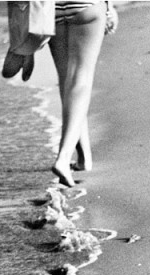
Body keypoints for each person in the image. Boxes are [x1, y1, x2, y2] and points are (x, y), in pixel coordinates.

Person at [50, 1, 118, 187]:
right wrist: (109, 6)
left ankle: (83, 157)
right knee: (81, 81)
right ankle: (64, 157)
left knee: (67, 81)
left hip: (52, 8)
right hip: (86, 4)